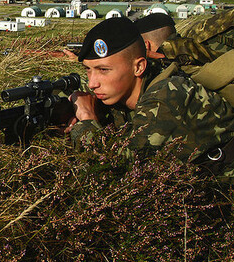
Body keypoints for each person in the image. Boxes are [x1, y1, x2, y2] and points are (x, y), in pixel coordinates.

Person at [66, 16, 234, 177]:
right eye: (88, 69)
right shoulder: (128, 87)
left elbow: (115, 168)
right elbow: (79, 93)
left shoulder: (169, 93)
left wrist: (87, 119)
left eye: (103, 70)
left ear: (139, 67)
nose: (92, 83)